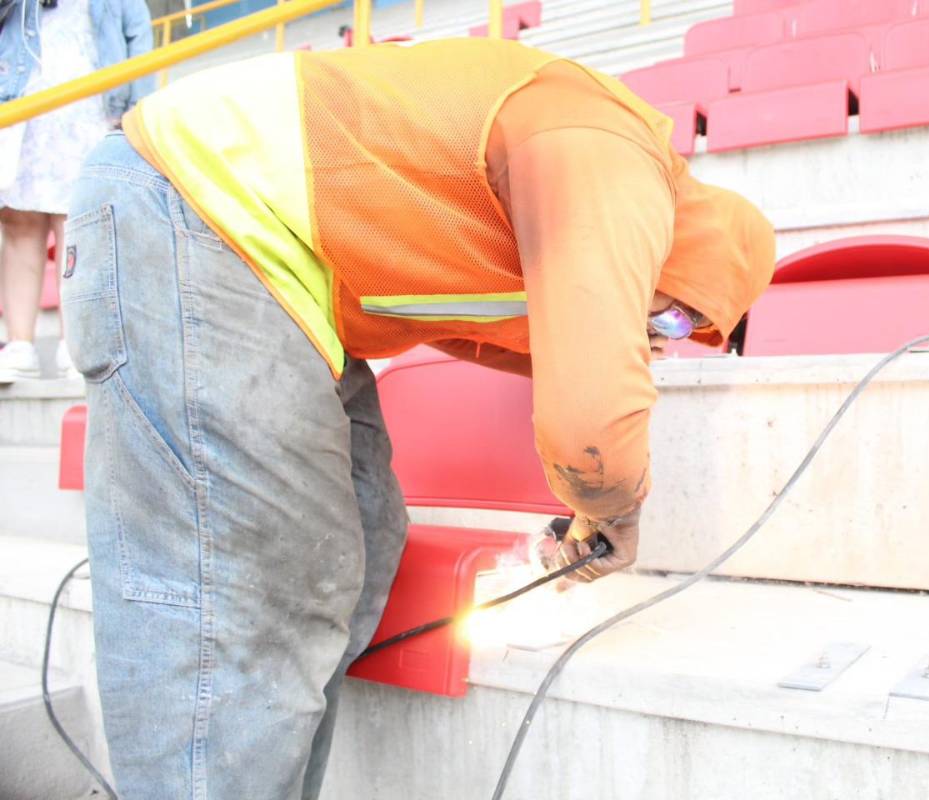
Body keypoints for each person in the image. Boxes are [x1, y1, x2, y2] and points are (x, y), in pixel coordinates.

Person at [63, 38, 775, 799]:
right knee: (253, 589)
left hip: (278, 272)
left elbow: (557, 356)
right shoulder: (610, 152)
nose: (660, 334)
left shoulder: (575, 216)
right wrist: (613, 510)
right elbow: (592, 421)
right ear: (698, 251)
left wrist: (582, 505)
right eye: (676, 322)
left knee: (364, 540)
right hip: (196, 202)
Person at [0, 0, 152, 381]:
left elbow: (137, 29)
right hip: (23, 101)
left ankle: (76, 344)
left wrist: (137, 101)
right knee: (19, 224)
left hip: (91, 101)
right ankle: (20, 345)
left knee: (79, 223)